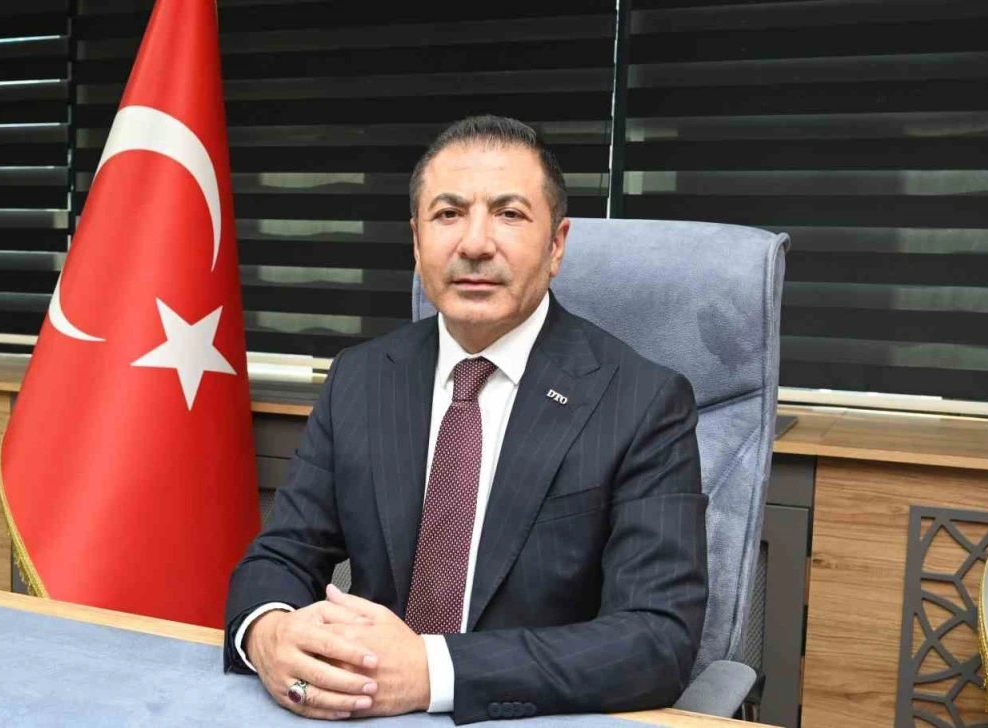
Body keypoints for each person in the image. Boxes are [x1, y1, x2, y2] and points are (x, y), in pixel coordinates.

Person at [224, 115, 709, 724]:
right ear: (416, 241)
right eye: (448, 214)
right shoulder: (361, 378)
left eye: (509, 214)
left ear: (556, 245)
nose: (475, 244)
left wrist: (432, 670)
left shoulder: (642, 401)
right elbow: (281, 556)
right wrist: (268, 633)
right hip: (367, 714)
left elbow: (656, 639)